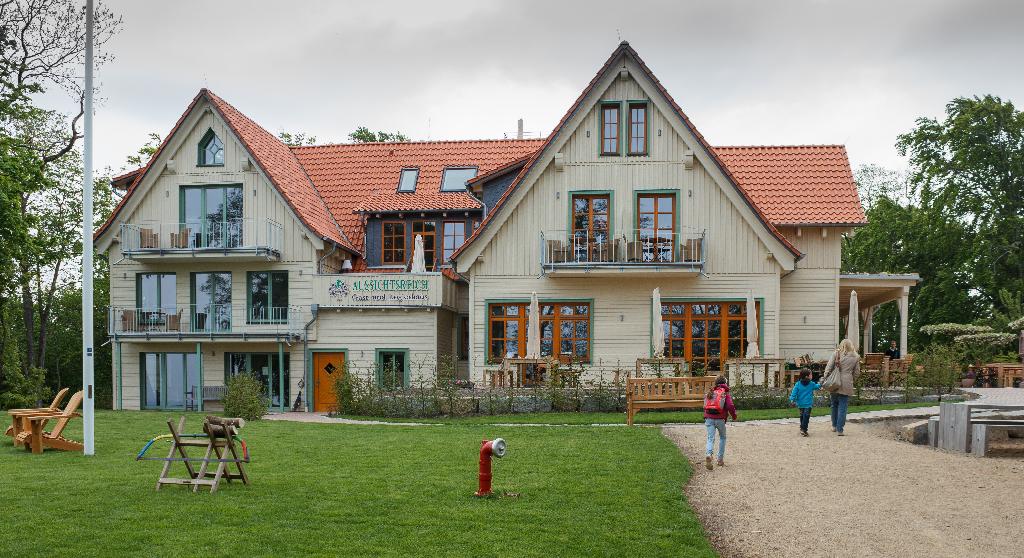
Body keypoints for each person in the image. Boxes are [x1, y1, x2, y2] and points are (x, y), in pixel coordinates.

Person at [825, 339, 861, 436]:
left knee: (834, 404)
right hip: (847, 381)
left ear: (842, 345)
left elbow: (829, 367)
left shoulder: (836, 354)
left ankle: (834, 426)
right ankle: (840, 430)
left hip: (834, 381)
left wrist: (825, 377)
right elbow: (857, 372)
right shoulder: (856, 357)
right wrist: (851, 378)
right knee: (843, 406)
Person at [703, 375, 737, 470]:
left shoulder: (711, 391)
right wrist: (734, 416)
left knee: (710, 438)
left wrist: (707, 416)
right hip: (720, 419)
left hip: (709, 418)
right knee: (722, 437)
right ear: (725, 383)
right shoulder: (725, 392)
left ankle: (709, 454)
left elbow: (705, 405)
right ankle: (720, 459)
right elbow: (730, 406)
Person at [788, 370, 820, 436]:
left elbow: (794, 392)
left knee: (802, 416)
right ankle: (804, 430)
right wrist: (821, 384)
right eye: (811, 374)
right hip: (808, 404)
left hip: (800, 403)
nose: (812, 376)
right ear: (806, 376)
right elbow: (817, 386)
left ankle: (802, 428)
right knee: (806, 417)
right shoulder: (811, 384)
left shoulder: (798, 384)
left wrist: (792, 399)